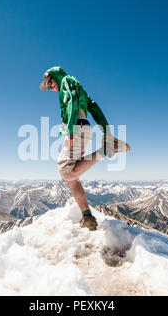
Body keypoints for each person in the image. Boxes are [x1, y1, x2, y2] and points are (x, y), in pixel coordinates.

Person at [40, 66, 130, 231]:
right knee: (72, 179)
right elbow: (95, 109)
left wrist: (71, 131)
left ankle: (105, 150)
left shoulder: (66, 81)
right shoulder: (78, 87)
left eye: (50, 83)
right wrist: (107, 132)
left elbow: (73, 102)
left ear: (54, 76)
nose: (51, 87)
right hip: (83, 129)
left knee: (66, 171)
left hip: (77, 129)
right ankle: (88, 217)